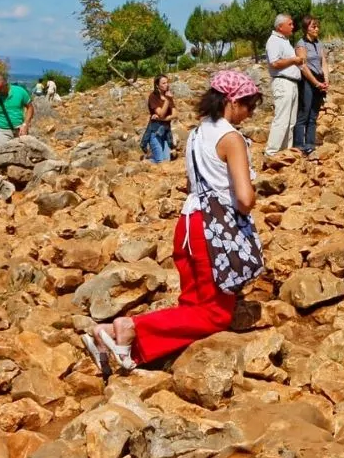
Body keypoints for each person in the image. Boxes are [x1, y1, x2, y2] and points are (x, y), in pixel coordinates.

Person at [82, 70, 263, 373]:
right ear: (232, 102)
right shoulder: (231, 138)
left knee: (193, 305)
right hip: (214, 229)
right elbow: (244, 198)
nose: (249, 113)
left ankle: (116, 339)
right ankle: (130, 327)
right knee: (215, 315)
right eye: (248, 105)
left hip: (188, 222)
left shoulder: (196, 133)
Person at [265, 14, 305, 156]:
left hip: (291, 83)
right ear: (280, 26)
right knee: (282, 119)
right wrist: (294, 60)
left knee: (290, 121)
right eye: (290, 24)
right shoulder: (274, 41)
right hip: (283, 81)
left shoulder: (284, 41)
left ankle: (285, 153)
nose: (293, 26)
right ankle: (272, 153)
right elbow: (275, 62)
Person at [293, 15, 328, 156]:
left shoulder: (319, 43)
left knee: (314, 114)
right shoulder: (301, 44)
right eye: (314, 26)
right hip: (308, 80)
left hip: (319, 79)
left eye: (317, 26)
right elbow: (303, 66)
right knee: (304, 113)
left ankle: (310, 144)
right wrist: (316, 83)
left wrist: (326, 80)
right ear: (306, 28)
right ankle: (299, 145)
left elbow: (323, 61)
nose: (317, 29)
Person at [0, 74, 34, 154]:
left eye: (1, 89)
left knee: (24, 154)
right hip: (2, 130)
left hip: (20, 129)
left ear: (6, 84)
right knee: (1, 155)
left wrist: (25, 124)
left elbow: (30, 107)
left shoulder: (19, 91)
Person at [142, 75, 175, 163]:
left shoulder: (168, 96)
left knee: (167, 161)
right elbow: (161, 113)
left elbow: (175, 114)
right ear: (157, 85)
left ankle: (150, 159)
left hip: (166, 133)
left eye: (167, 82)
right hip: (155, 132)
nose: (167, 85)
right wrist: (167, 100)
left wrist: (162, 119)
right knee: (160, 161)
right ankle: (145, 163)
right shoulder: (153, 97)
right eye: (163, 83)